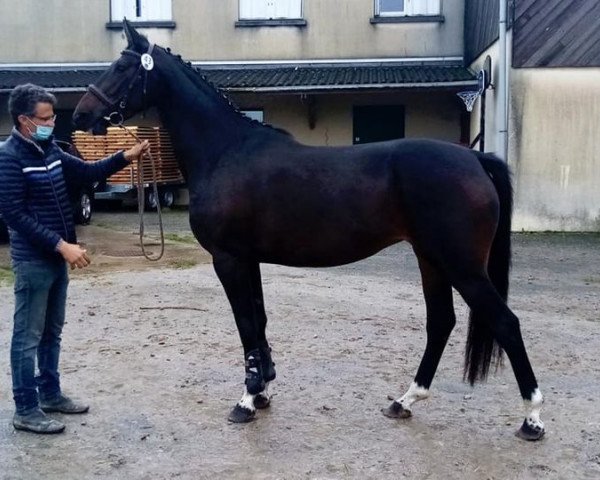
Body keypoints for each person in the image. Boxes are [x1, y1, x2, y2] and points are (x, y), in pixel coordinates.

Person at [0, 83, 149, 434]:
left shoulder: (49, 148)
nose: (51, 122)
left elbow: (86, 173)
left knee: (52, 332)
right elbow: (14, 214)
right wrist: (61, 245)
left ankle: (50, 394)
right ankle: (25, 409)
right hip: (35, 261)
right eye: (45, 118)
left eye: (52, 117)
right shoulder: (10, 157)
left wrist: (125, 157)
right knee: (27, 337)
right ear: (24, 120)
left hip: (56, 259)